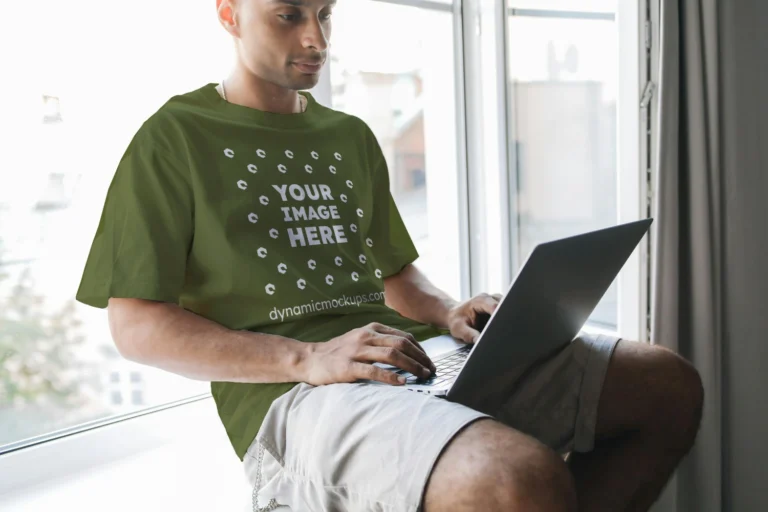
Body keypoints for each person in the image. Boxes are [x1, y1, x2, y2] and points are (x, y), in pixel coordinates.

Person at [75, 0, 705, 510]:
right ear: (229, 13)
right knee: (519, 480)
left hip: (407, 357)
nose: (316, 38)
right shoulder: (173, 138)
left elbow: (396, 275)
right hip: (293, 395)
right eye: (289, 15)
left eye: (326, 13)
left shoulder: (347, 135)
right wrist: (310, 356)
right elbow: (137, 325)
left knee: (666, 387)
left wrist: (449, 311)